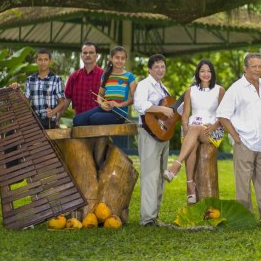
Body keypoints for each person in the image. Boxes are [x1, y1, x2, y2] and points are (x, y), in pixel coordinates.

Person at [216, 53, 261, 223]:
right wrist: (235, 136)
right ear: (245, 68)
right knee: (243, 184)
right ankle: (245, 217)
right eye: (254, 66)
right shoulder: (236, 89)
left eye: (259, 66)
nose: (257, 70)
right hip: (244, 142)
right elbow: (222, 115)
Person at [163, 60, 226, 205]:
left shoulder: (220, 90)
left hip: (213, 130)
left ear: (212, 73)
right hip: (192, 129)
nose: (206, 74)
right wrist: (184, 124)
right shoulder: (190, 90)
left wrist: (214, 125)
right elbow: (185, 113)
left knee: (195, 129)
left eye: (209, 71)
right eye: (202, 71)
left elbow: (224, 113)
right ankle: (191, 185)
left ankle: (176, 166)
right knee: (192, 139)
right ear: (198, 73)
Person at [134, 54, 174, 227]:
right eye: (156, 66)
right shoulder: (144, 85)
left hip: (163, 135)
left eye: (163, 67)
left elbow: (168, 114)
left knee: (160, 177)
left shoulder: (163, 88)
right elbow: (140, 105)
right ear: (150, 69)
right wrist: (162, 109)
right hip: (148, 134)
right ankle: (147, 219)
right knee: (150, 176)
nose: (160, 70)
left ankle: (154, 215)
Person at [72, 46, 136, 126]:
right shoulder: (105, 75)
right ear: (111, 58)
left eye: (122, 58)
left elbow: (135, 98)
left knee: (95, 118)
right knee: (77, 120)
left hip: (119, 113)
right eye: (117, 58)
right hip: (104, 109)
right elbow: (100, 95)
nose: (120, 61)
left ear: (125, 60)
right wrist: (101, 104)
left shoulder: (129, 76)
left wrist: (119, 104)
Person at [11, 49, 66, 129]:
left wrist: (53, 112)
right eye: (40, 59)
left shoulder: (56, 79)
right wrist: (18, 89)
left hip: (49, 120)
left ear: (50, 61)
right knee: (11, 132)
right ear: (36, 61)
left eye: (45, 60)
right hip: (34, 119)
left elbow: (62, 103)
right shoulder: (30, 79)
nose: (43, 62)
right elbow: (26, 100)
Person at [57, 41, 104, 116]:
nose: (88, 55)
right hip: (79, 122)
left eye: (91, 52)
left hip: (99, 122)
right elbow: (67, 99)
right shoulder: (73, 77)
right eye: (85, 53)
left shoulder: (104, 76)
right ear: (81, 56)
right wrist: (57, 119)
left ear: (97, 56)